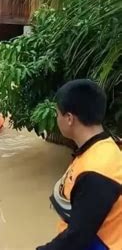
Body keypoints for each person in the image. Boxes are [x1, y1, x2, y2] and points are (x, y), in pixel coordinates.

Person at [37, 79, 121, 250]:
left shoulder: (96, 172)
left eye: (57, 113)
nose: (56, 117)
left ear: (69, 118)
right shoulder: (104, 145)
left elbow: (76, 239)